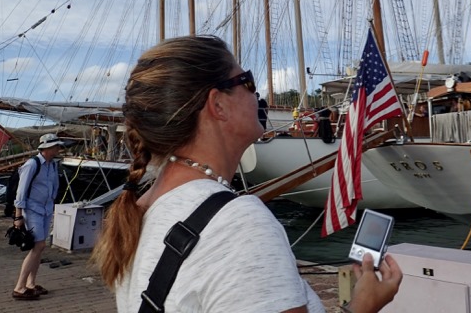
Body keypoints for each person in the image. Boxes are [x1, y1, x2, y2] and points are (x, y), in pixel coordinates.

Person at [92, 35, 402, 312]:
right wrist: (362, 306)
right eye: (248, 82)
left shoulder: (143, 207)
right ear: (218, 105)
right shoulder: (237, 224)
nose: (258, 95)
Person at [12, 133, 63, 300]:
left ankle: (31, 283)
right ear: (48, 148)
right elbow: (21, 191)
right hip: (33, 209)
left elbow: (54, 185)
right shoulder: (32, 164)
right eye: (56, 146)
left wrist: (52, 201)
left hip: (46, 209)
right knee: (38, 245)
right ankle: (20, 287)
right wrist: (18, 216)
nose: (58, 149)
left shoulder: (52, 165)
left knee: (39, 247)